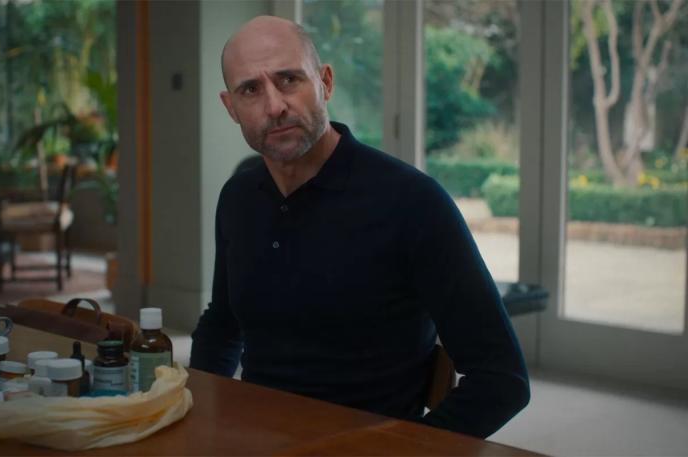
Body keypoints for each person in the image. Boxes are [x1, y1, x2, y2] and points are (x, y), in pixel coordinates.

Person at [190, 15, 529, 439]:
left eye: (289, 79)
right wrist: (200, 417)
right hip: (254, 437)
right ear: (231, 108)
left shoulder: (412, 201)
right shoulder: (238, 196)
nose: (274, 106)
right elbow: (222, 326)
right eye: (250, 90)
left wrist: (403, 450)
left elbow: (502, 380)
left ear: (325, 82)